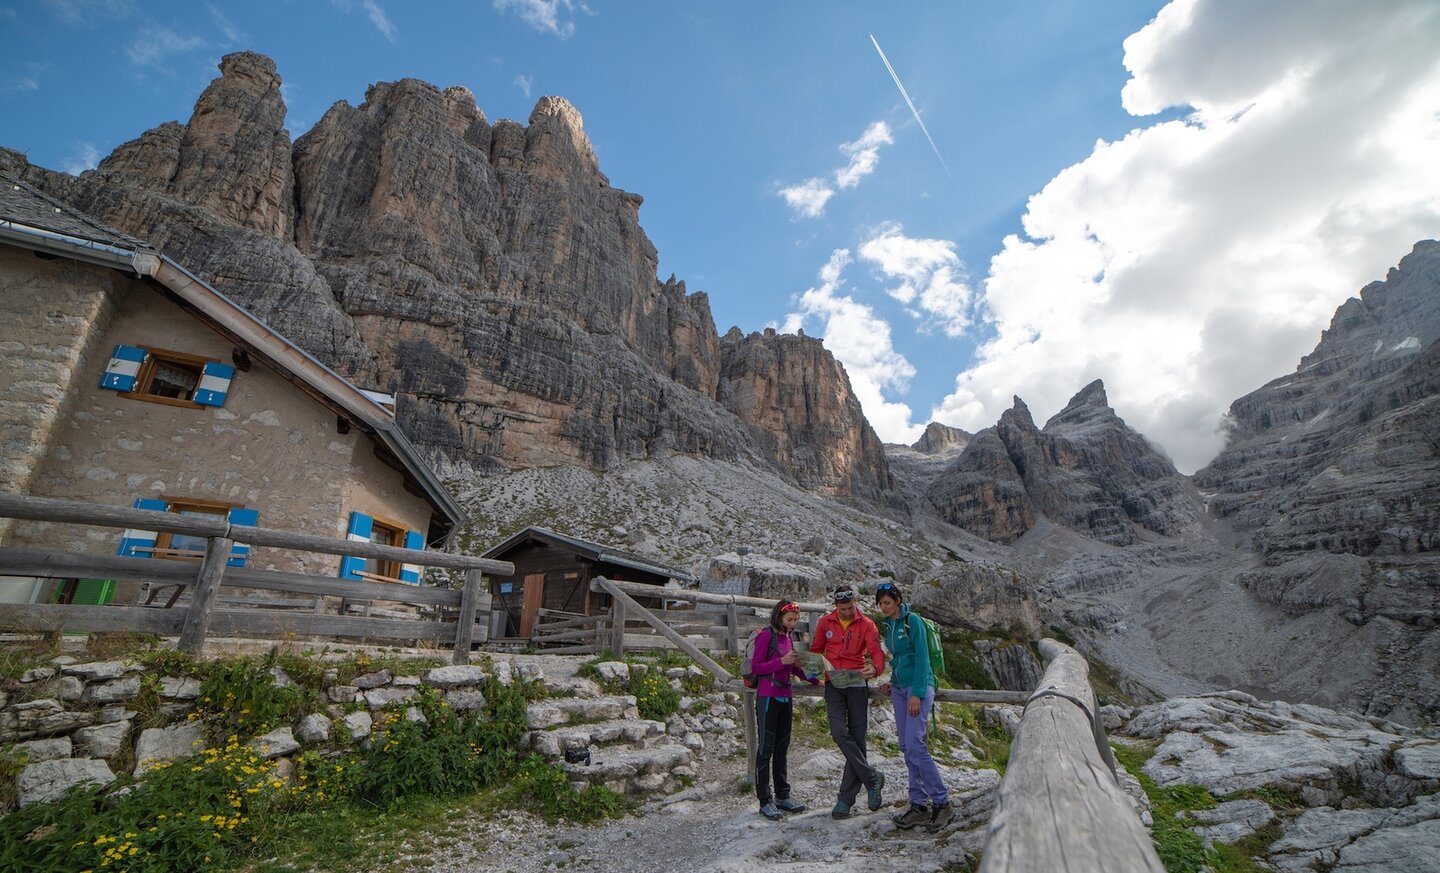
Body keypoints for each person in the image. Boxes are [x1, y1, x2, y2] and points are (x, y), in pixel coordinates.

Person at [876, 581, 953, 833]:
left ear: (897, 600)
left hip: (917, 689)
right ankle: (918, 804)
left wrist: (917, 693)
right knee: (906, 746)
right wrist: (891, 683)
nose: (883, 607)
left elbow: (922, 657)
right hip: (899, 689)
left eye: (887, 602)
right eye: (880, 603)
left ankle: (941, 802)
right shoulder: (889, 625)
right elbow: (899, 658)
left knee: (916, 746)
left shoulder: (913, 621)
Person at [809, 584, 886, 818]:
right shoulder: (825, 623)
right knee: (838, 731)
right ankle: (872, 777)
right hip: (833, 683)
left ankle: (845, 800)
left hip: (857, 683)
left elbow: (876, 652)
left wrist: (875, 669)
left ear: (855, 603)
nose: (847, 612)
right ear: (835, 606)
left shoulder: (867, 624)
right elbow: (816, 650)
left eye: (850, 607)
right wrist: (813, 672)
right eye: (842, 609)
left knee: (857, 738)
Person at [751, 599, 818, 820]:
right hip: (768, 696)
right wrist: (781, 661)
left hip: (785, 697)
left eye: (796, 620)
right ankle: (764, 800)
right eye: (790, 620)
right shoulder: (765, 636)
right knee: (765, 748)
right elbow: (757, 667)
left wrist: (814, 679)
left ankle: (782, 795)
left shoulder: (788, 638)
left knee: (782, 747)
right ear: (779, 617)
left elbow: (792, 667)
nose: (793, 624)